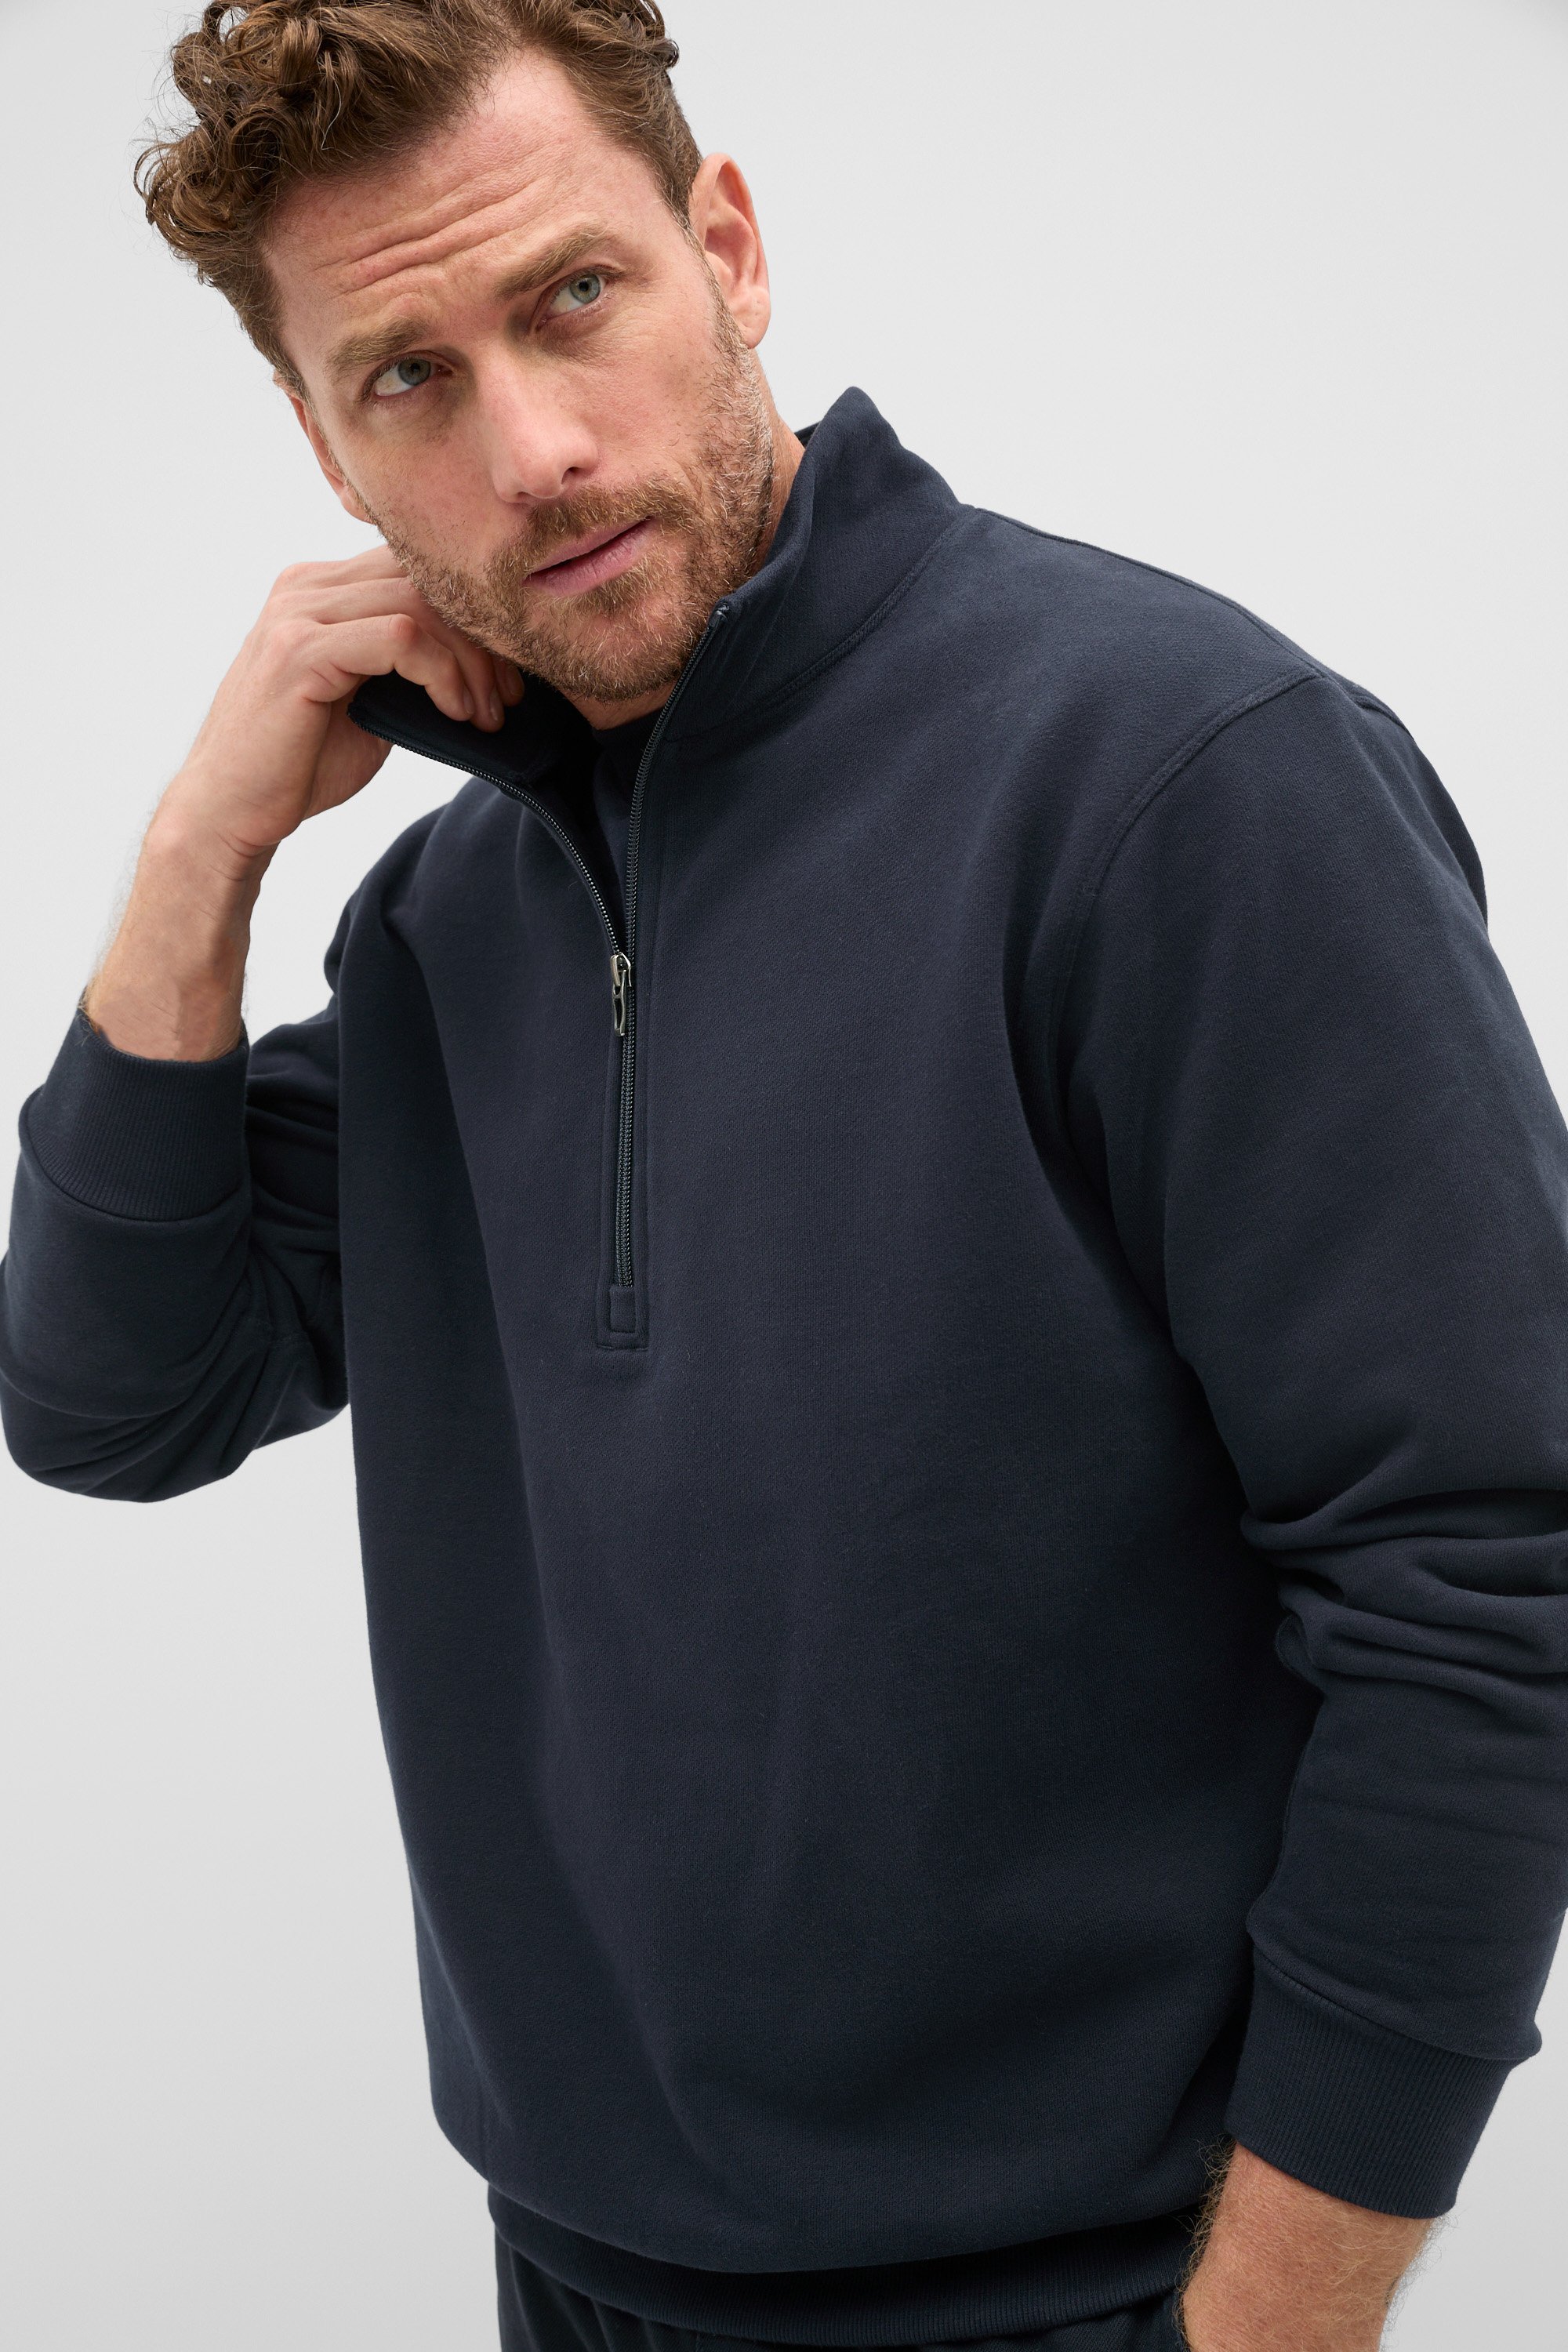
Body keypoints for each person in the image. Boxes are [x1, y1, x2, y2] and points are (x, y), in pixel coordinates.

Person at [4, 3, 1566, 2347]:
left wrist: (1265, 2328)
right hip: (577, 2272)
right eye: (409, 378)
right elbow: (110, 1400)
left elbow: (1492, 1584)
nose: (535, 450)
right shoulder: (447, 922)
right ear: (326, 445)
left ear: (724, 246)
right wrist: (194, 855)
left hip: (1092, 2295)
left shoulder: (1182, 781)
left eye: (573, 297)